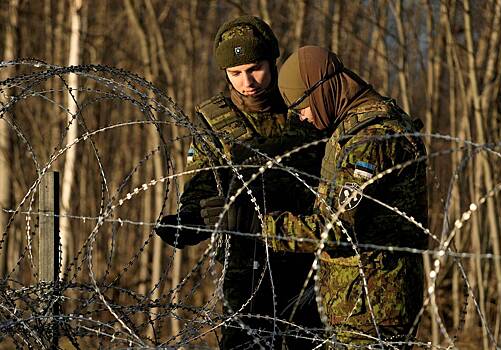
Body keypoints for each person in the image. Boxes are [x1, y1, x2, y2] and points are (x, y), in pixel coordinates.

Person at [155, 17, 324, 349]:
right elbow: (203, 178)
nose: (247, 81)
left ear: (271, 62)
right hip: (246, 262)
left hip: (304, 254)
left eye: (254, 68)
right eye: (235, 73)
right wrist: (192, 218)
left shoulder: (302, 105)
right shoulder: (214, 119)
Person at [261, 46, 428, 348]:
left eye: (302, 106)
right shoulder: (356, 125)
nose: (303, 118)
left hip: (372, 309)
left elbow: (337, 229)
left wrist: (260, 227)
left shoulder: (370, 138)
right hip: (359, 302)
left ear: (321, 88)